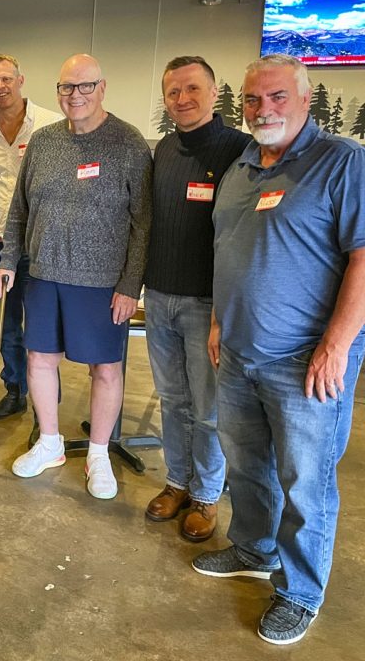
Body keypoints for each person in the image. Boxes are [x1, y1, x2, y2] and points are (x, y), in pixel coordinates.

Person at [193, 54, 365, 645]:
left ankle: (299, 593)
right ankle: (253, 549)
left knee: (305, 480)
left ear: (304, 98)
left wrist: (336, 346)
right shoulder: (241, 168)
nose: (262, 109)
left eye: (276, 98)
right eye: (251, 100)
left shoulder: (341, 163)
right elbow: (228, 253)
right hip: (239, 352)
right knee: (247, 465)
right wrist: (219, 322)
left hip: (305, 361)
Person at [0, 54, 151, 500]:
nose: (75, 96)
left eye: (84, 87)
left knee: (105, 368)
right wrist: (8, 260)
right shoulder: (43, 142)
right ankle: (49, 443)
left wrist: (129, 285)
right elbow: (19, 210)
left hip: (102, 282)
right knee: (40, 360)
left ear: (102, 88)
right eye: (66, 88)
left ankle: (99, 454)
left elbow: (144, 222)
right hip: (43, 274)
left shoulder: (128, 143)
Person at [143, 56, 246, 542]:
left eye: (192, 89)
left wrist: (225, 311)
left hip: (207, 303)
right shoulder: (163, 149)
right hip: (160, 296)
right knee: (172, 399)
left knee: (207, 408)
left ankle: (206, 494)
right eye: (172, 92)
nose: (181, 99)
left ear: (213, 90)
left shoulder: (237, 151)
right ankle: (177, 481)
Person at [0, 54, 61, 421]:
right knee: (7, 322)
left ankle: (47, 401)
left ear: (20, 80)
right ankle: (15, 389)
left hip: (41, 245)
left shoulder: (52, 126)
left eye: (6, 79)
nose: (0, 86)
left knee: (41, 326)